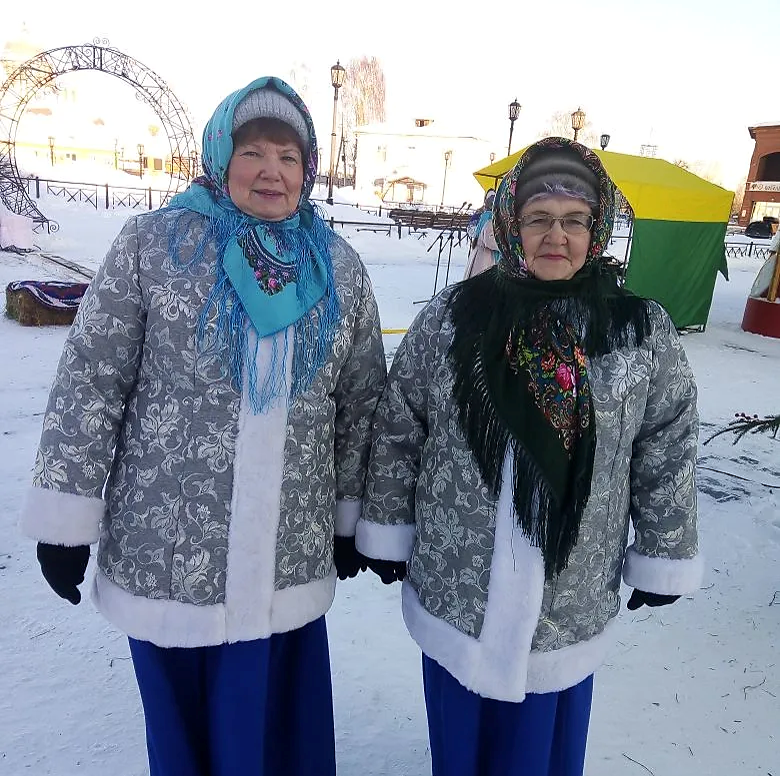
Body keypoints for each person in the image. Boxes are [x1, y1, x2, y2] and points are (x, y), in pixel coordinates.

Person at [20, 76, 386, 776]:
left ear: (308, 169)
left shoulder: (336, 266)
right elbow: (92, 380)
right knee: (186, 735)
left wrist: (351, 517)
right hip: (169, 552)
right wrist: (65, 520)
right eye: (253, 152)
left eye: (288, 155)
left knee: (280, 731)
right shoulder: (155, 245)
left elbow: (361, 399)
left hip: (287, 551)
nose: (272, 171)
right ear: (220, 156)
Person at [356, 137, 702, 776]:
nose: (556, 236)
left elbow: (666, 445)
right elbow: (402, 426)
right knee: (460, 743)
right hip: (458, 581)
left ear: (598, 229)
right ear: (511, 224)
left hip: (567, 594)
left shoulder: (638, 329)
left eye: (574, 220)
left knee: (543, 749)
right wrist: (385, 528)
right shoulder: (454, 317)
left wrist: (665, 550)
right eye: (538, 218)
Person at [463, 188, 500, 279]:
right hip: (485, 257)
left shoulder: (487, 215)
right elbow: (489, 240)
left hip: (480, 253)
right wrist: (503, 246)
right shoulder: (488, 216)